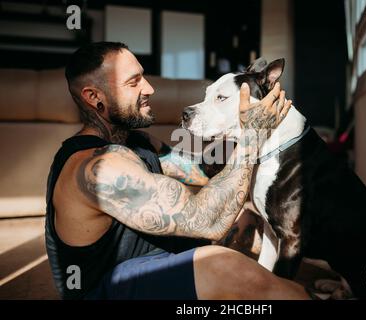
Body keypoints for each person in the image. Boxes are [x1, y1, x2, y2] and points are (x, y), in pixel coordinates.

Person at [45, 41, 310, 300]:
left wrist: (235, 125)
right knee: (226, 266)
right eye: (133, 82)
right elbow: (209, 222)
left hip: (156, 259)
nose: (149, 88)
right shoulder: (97, 167)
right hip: (113, 287)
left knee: (257, 222)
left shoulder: (136, 141)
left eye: (143, 77)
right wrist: (253, 136)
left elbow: (202, 171)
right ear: (94, 97)